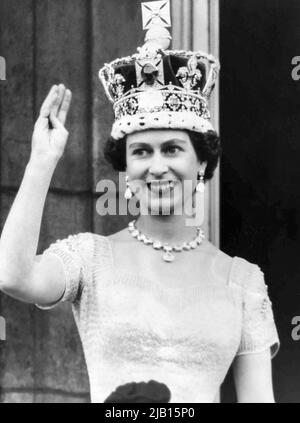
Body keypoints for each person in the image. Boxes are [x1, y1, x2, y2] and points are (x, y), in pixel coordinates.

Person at [0, 3, 279, 403]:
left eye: (172, 149)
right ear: (127, 168)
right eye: (142, 152)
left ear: (200, 161)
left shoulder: (243, 282)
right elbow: (13, 275)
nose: (157, 166)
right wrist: (42, 161)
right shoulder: (90, 259)